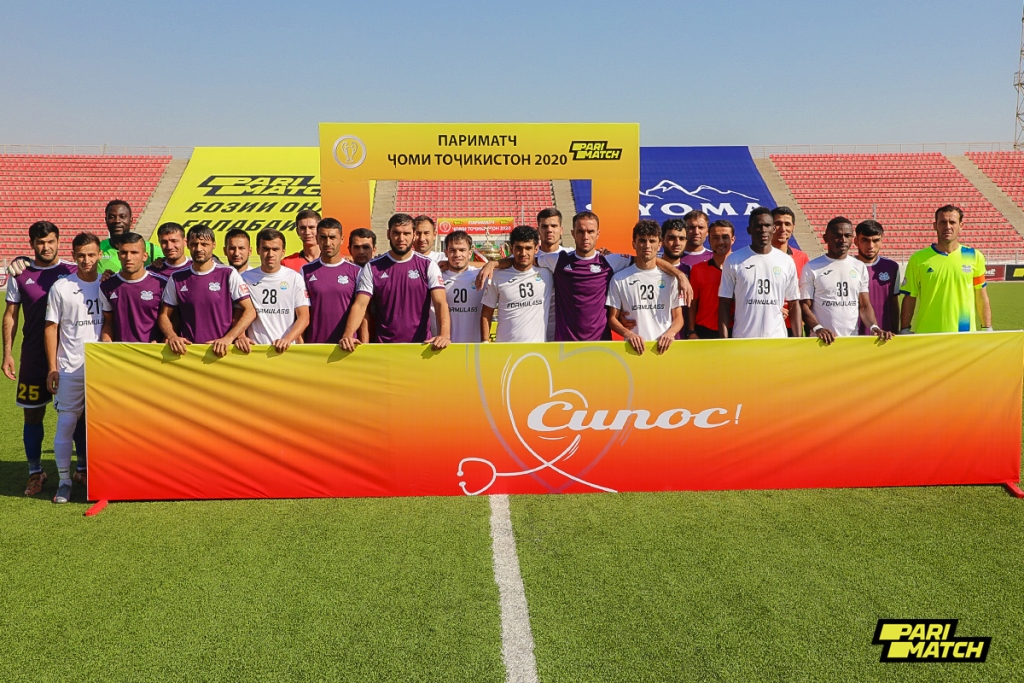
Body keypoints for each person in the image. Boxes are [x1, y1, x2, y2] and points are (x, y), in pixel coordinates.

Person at [477, 211, 692, 341]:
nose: (585, 236)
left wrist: (679, 275)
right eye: (580, 231)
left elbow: (648, 259)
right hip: (565, 343)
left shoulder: (611, 261)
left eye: (590, 232)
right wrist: (494, 263)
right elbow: (522, 259)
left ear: (598, 234)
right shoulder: (557, 260)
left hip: (600, 342)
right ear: (572, 233)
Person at [3, 221, 78, 495]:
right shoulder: (20, 275)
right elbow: (11, 316)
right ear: (32, 244)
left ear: (59, 241)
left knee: (78, 414)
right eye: (40, 242)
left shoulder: (74, 270)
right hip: (34, 357)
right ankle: (36, 472)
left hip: (69, 355)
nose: (46, 247)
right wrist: (7, 353)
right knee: (32, 414)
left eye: (50, 241)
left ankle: (81, 469)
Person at [43, 232, 104, 503]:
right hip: (70, 368)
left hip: (103, 369)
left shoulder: (108, 283)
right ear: (73, 255)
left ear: (100, 254)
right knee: (67, 423)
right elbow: (51, 328)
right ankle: (64, 481)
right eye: (81, 255)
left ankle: (100, 478)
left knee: (104, 426)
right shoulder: (61, 287)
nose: (86, 260)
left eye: (91, 255)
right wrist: (52, 367)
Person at [340, 213, 449, 350]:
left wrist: (444, 335)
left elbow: (440, 303)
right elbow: (360, 305)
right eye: (396, 233)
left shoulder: (428, 265)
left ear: (414, 235)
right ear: (388, 234)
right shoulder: (373, 267)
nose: (401, 238)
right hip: (384, 347)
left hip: (421, 346)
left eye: (406, 233)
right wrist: (348, 334)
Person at [158, 225, 256, 356]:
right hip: (188, 352)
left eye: (204, 244)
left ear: (214, 245)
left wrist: (229, 338)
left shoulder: (228, 273)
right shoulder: (177, 278)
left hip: (221, 351)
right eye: (195, 244)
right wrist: (172, 336)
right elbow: (164, 315)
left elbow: (250, 311)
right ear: (188, 244)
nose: (199, 249)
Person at [900, 205, 992, 333]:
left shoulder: (974, 256)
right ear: (935, 225)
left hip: (964, 333)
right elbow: (910, 297)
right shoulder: (918, 259)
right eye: (943, 222)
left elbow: (981, 296)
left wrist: (987, 327)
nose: (947, 226)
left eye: (952, 222)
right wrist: (904, 329)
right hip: (928, 333)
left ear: (961, 225)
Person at [800, 217, 892, 344]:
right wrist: (818, 328)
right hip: (821, 341)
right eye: (837, 236)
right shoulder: (812, 267)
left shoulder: (859, 267)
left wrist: (874, 327)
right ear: (825, 238)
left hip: (851, 341)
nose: (843, 240)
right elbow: (804, 306)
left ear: (852, 238)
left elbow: (864, 305)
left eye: (847, 236)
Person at [719, 207, 802, 338]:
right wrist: (723, 340)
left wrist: (798, 339)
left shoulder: (786, 261)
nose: (763, 230)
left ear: (773, 229)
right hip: (743, 338)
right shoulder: (734, 260)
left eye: (767, 225)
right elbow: (724, 303)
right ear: (749, 230)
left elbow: (794, 304)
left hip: (776, 339)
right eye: (758, 226)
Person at [606, 220, 683, 355]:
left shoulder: (670, 279)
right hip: (633, 351)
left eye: (652, 241)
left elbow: (678, 317)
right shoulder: (619, 278)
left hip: (664, 350)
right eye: (642, 240)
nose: (647, 246)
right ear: (634, 244)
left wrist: (670, 334)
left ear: (659, 244)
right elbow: (612, 319)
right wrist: (629, 334)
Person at [480, 226, 552, 343]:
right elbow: (487, 312)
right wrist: (485, 341)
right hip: (506, 348)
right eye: (518, 248)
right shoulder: (497, 276)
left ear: (536, 249)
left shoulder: (547, 273)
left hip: (537, 349)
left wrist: (494, 263)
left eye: (528, 248)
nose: (523, 253)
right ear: (511, 249)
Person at [240, 229, 309, 352]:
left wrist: (287, 339)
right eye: (266, 249)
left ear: (283, 251)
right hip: (255, 351)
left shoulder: (294, 278)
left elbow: (304, 317)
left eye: (275, 249)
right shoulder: (245, 278)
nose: (270, 254)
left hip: (287, 350)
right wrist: (241, 336)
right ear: (258, 250)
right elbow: (237, 313)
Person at [301, 219, 367, 344]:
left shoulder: (357, 272)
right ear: (317, 238)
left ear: (341, 239)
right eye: (323, 237)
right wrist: (301, 346)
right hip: (314, 347)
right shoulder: (306, 271)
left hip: (347, 346)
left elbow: (363, 312)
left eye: (332, 237)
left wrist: (364, 346)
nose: (327, 243)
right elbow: (300, 313)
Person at [99, 232, 168, 343]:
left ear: (144, 256)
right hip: (121, 351)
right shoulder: (107, 286)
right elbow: (109, 321)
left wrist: (164, 340)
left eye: (134, 252)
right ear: (118, 255)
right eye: (124, 253)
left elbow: (170, 318)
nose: (128, 258)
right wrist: (107, 341)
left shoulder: (161, 284)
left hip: (152, 350)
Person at [686, 219, 735, 339]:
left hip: (735, 330)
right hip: (704, 332)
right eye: (715, 237)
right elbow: (692, 303)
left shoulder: (742, 268)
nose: (720, 242)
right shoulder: (698, 269)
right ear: (709, 240)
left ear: (733, 239)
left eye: (725, 237)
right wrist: (691, 331)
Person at [854, 219, 901, 334]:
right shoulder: (847, 267)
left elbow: (894, 304)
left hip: (885, 335)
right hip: (854, 335)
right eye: (865, 240)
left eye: (875, 240)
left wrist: (895, 330)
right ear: (856, 241)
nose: (870, 246)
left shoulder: (892, 267)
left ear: (882, 241)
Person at [440, 231, 485, 343]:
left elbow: (510, 264)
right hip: (445, 345)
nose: (457, 254)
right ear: (446, 253)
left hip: (475, 345)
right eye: (452, 250)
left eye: (462, 250)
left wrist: (491, 264)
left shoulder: (481, 275)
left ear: (470, 253)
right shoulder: (437, 276)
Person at [97, 200, 162, 275]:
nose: (117, 220)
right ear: (106, 220)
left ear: (131, 220)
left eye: (122, 217)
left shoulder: (151, 249)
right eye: (112, 217)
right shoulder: (97, 249)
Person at [537, 208, 571, 340]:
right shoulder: (526, 257)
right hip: (536, 332)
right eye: (544, 226)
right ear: (538, 230)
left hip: (565, 330)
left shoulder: (571, 255)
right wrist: (493, 263)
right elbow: (507, 262)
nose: (549, 230)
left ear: (561, 230)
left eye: (554, 226)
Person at [770, 206, 809, 278]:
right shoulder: (759, 256)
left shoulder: (802, 258)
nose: (783, 229)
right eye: (778, 223)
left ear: (793, 227)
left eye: (787, 224)